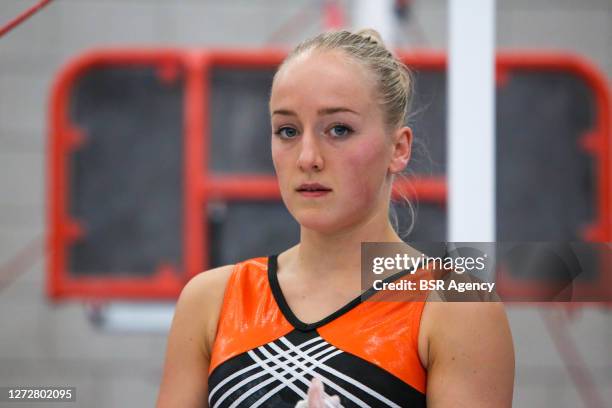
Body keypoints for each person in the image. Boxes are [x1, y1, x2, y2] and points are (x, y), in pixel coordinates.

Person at [156, 28, 515, 407]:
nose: (308, 157)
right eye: (287, 131)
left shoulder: (456, 305)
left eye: (338, 129)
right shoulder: (212, 300)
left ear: (398, 148)